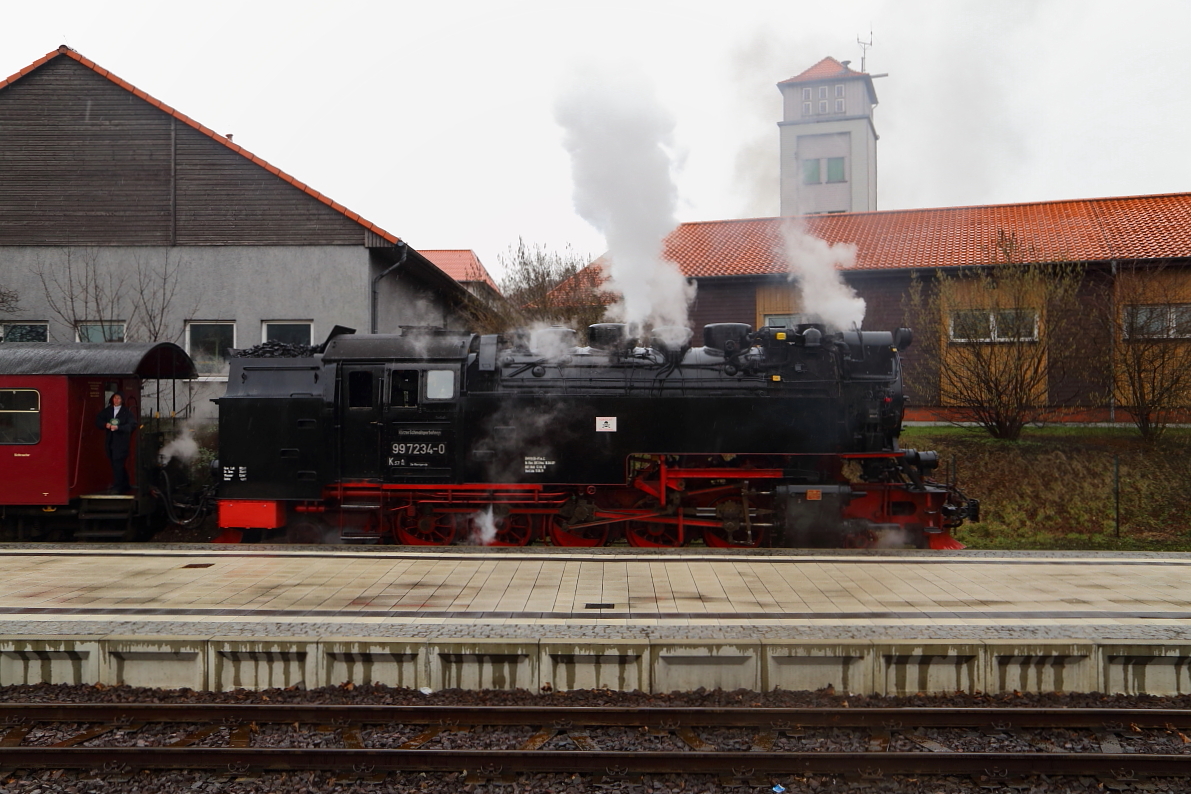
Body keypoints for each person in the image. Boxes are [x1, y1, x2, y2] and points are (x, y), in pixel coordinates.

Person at [95, 392, 136, 493]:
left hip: (121, 442)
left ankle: (118, 487)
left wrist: (119, 428)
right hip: (110, 442)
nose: (116, 400)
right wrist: (105, 425)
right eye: (114, 398)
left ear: (122, 400)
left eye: (118, 398)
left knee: (118, 463)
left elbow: (132, 425)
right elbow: (98, 420)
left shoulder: (126, 412)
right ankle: (125, 484)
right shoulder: (107, 411)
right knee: (116, 464)